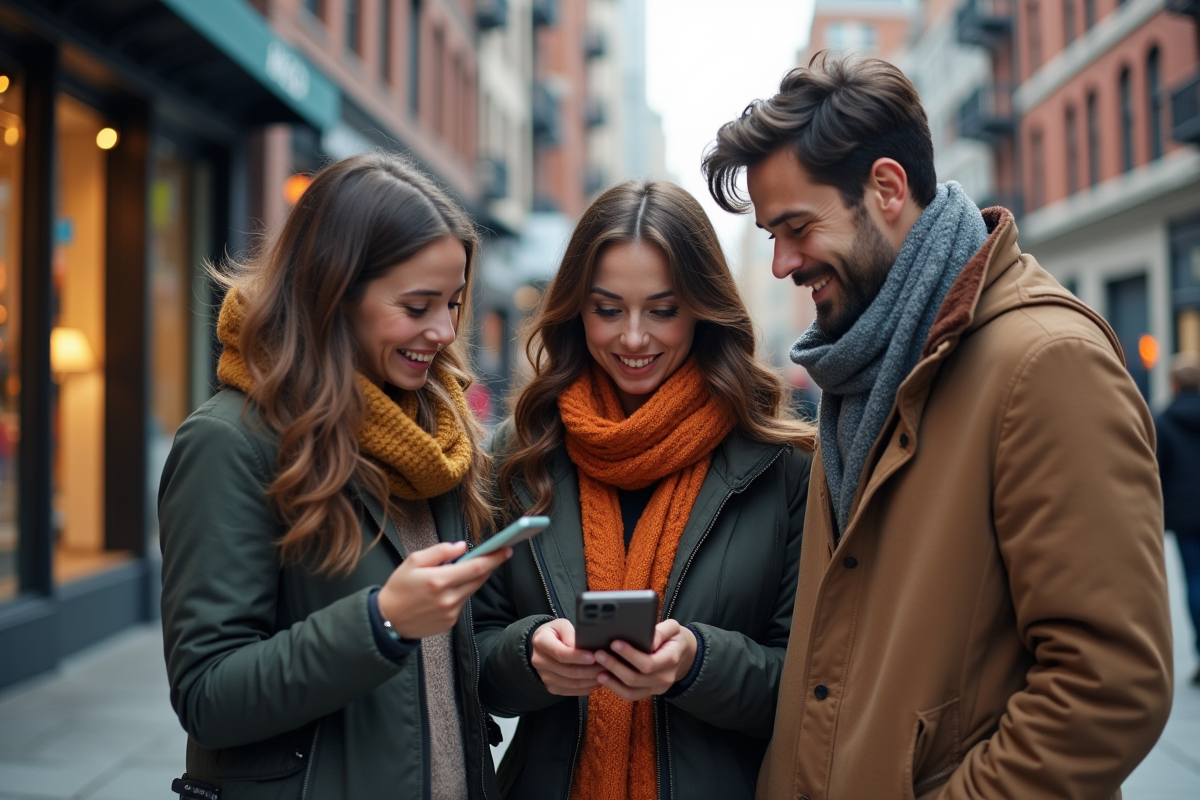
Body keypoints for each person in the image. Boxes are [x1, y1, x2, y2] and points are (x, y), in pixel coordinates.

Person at [702, 54, 1173, 800]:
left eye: (797, 227)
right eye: (770, 234)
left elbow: (1110, 687)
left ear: (887, 188)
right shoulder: (860, 359)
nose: (783, 261)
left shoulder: (1045, 363)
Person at [158, 152, 509, 800]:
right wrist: (379, 623)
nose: (443, 330)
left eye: (455, 303)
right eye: (417, 305)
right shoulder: (229, 442)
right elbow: (208, 694)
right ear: (333, 293)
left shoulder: (437, 438)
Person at [474, 181, 814, 800]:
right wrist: (529, 657)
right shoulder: (520, 455)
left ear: (704, 310)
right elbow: (470, 657)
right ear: (577, 309)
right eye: (608, 310)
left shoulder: (781, 467)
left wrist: (695, 664)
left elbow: (809, 684)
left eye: (662, 310)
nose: (633, 338)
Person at [1156, 351, 1200, 685]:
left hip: (1185, 516)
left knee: (1195, 581)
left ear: (1174, 384)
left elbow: (1156, 470)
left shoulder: (1164, 420)